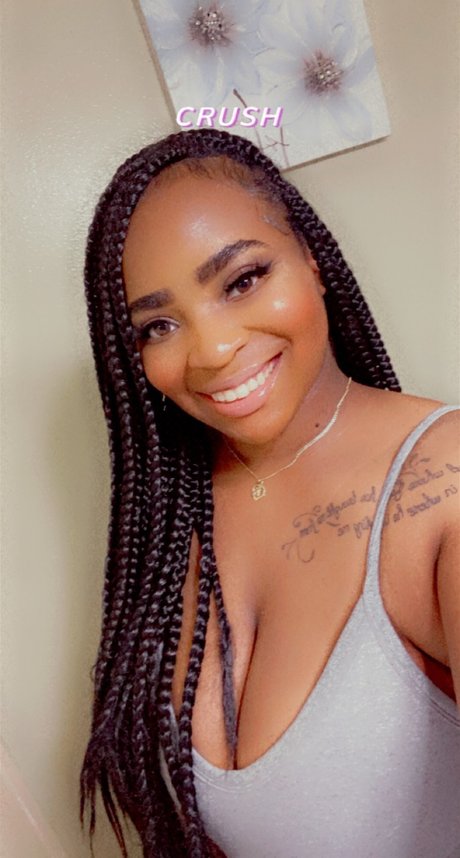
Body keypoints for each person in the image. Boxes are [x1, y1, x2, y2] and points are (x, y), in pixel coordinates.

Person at [80, 128, 460, 858]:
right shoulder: (172, 521)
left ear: (312, 261)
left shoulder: (441, 487)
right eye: (159, 325)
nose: (213, 350)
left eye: (243, 280)